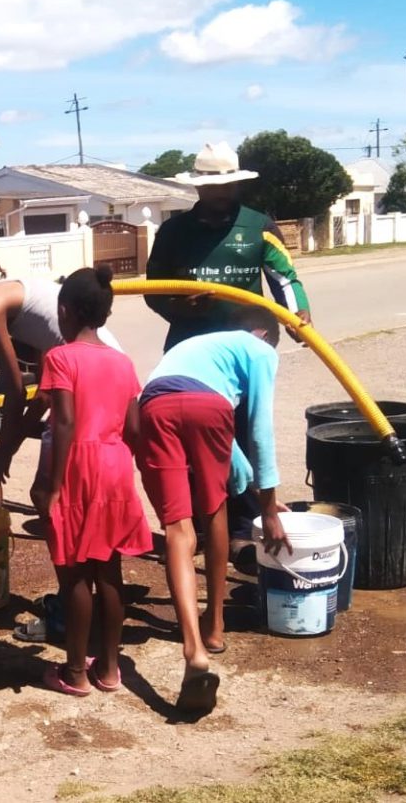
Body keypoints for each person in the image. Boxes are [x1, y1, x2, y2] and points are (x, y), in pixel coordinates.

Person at [0, 272, 123, 641]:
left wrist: (5, 447)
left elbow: (15, 386)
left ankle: (70, 603)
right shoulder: (10, 291)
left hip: (89, 373)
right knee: (70, 494)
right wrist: (12, 441)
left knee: (46, 496)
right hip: (104, 365)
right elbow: (44, 393)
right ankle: (82, 594)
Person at [144, 142, 311, 557]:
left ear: (237, 184)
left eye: (227, 185)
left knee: (242, 434)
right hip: (190, 351)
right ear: (198, 187)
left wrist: (298, 315)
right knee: (188, 444)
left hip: (244, 353)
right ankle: (198, 527)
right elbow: (151, 289)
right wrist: (178, 305)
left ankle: (239, 527)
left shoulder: (259, 226)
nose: (221, 193)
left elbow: (285, 277)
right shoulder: (173, 232)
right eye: (212, 186)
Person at [137, 304, 292, 712]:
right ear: (262, 335)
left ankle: (194, 652)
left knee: (178, 530)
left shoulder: (201, 349)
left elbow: (234, 458)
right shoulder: (259, 350)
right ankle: (216, 627)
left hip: (154, 406)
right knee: (215, 512)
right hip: (207, 408)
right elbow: (259, 429)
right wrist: (269, 511)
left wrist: (262, 492)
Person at [34, 266, 154, 696]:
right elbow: (136, 427)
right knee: (110, 571)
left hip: (79, 466)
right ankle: (108, 668)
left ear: (64, 311)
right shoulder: (122, 362)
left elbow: (63, 422)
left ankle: (74, 672)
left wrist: (53, 485)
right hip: (116, 465)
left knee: (74, 576)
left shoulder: (60, 358)